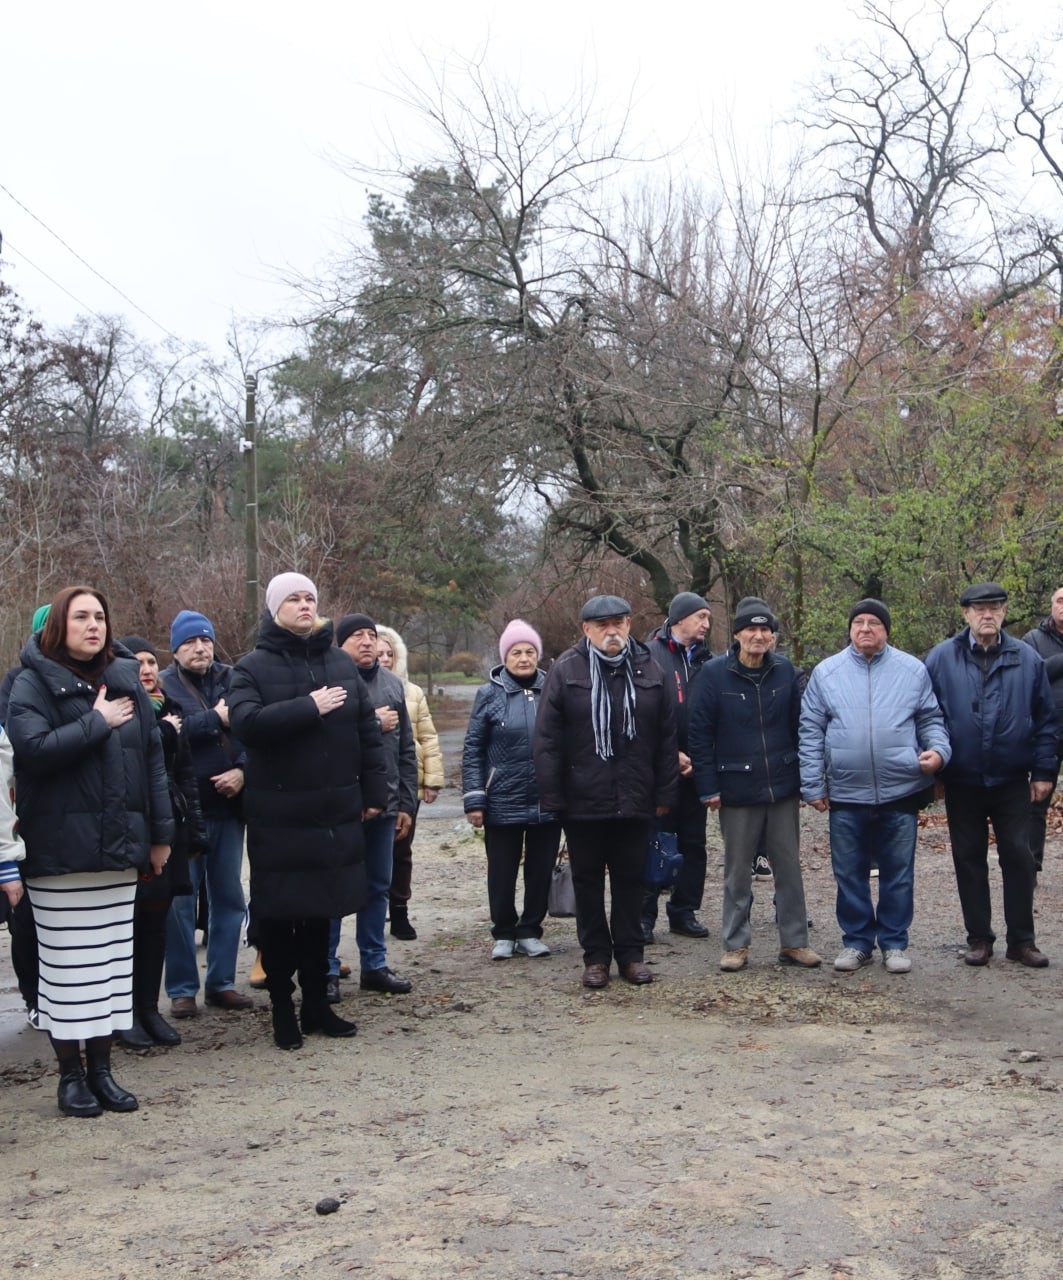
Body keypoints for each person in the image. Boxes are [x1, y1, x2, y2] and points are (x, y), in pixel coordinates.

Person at [6, 586, 173, 1116]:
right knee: (67, 972)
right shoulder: (30, 682)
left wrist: (160, 835)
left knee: (110, 967)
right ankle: (70, 1077)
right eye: (81, 616)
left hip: (119, 853)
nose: (93, 625)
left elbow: (152, 762)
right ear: (59, 625)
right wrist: (96, 722)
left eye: (100, 616)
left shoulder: (125, 679)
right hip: (59, 856)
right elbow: (32, 752)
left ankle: (102, 1071)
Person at [228, 574, 388, 1049]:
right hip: (278, 815)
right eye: (294, 599)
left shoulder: (339, 663)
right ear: (274, 608)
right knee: (280, 916)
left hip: (334, 811)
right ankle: (282, 1008)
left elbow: (366, 734)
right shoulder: (251, 667)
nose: (304, 605)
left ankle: (317, 1006)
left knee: (323, 912)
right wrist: (308, 707)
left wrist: (374, 793)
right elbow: (246, 724)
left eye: (310, 598)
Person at [534, 594, 678, 989]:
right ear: (587, 629)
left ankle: (631, 955)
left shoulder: (650, 668)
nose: (611, 632)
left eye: (618, 623)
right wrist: (553, 796)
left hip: (636, 796)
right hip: (583, 799)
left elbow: (667, 737)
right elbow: (547, 740)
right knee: (588, 880)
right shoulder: (566, 669)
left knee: (632, 879)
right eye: (602, 625)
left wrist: (665, 794)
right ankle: (596, 957)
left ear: (629, 625)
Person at [799, 598, 949, 975]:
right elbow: (811, 730)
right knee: (849, 873)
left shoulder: (912, 670)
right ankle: (857, 941)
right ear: (850, 629)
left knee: (898, 873)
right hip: (846, 792)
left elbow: (930, 719)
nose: (865, 628)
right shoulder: (826, 673)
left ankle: (894, 942)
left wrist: (938, 751)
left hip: (900, 789)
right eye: (859, 622)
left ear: (886, 630)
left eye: (874, 623)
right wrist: (813, 783)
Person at [925, 583, 1057, 968]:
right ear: (965, 613)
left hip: (1012, 778)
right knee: (968, 858)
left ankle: (1022, 941)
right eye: (979, 608)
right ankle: (979, 938)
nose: (987, 615)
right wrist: (934, 772)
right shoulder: (942, 658)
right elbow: (925, 715)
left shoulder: (1027, 658)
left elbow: (1046, 721)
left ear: (1004, 613)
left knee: (1019, 856)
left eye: (995, 608)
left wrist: (1043, 771)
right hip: (961, 778)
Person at [689, 598, 821, 971]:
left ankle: (794, 943)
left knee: (789, 868)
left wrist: (805, 779)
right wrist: (708, 787)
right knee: (737, 872)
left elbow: (801, 727)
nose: (759, 636)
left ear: (773, 637)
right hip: (736, 788)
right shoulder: (714, 674)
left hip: (782, 785)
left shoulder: (785, 671)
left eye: (765, 630)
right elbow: (699, 735)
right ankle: (735, 945)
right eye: (751, 629)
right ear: (737, 634)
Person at [115, 637, 207, 1050]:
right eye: (138, 663)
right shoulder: (118, 710)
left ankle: (149, 1009)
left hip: (169, 827)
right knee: (129, 926)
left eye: (152, 661)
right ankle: (124, 1015)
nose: (147, 669)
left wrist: (196, 832)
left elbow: (185, 774)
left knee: (157, 923)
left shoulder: (171, 708)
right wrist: (164, 732)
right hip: (131, 829)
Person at [160, 609, 251, 1018]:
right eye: (190, 642)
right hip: (184, 812)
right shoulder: (163, 686)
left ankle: (222, 982)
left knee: (229, 897)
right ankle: (182, 989)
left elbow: (253, 730)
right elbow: (170, 735)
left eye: (206, 640)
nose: (200, 648)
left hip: (229, 808)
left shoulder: (234, 679)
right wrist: (215, 717)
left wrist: (243, 771)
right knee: (180, 903)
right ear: (175, 649)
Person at [463, 620, 562, 960]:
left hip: (546, 798)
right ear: (505, 657)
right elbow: (473, 748)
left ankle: (531, 930)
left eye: (530, 652)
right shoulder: (489, 694)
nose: (524, 658)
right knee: (501, 871)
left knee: (541, 870)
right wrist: (475, 798)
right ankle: (503, 931)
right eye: (516, 652)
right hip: (502, 798)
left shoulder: (553, 689)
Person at [335, 614, 417, 995]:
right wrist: (370, 721)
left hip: (385, 805)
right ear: (340, 645)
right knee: (335, 888)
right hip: (342, 806)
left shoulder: (391, 685)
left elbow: (405, 750)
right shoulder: (329, 681)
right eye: (357, 636)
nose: (367, 641)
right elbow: (323, 738)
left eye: (371, 635)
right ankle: (327, 968)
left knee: (378, 886)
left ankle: (374, 964)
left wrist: (405, 804)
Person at [641, 592, 712, 943]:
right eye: (701, 617)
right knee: (654, 841)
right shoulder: (648, 656)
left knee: (694, 843)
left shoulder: (707, 661)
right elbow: (640, 714)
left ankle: (684, 911)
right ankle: (643, 916)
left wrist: (701, 757)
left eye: (708, 617)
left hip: (697, 770)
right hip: (658, 771)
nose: (706, 624)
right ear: (680, 618)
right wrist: (670, 754)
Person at [377, 625, 444, 941]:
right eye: (379, 653)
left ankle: (400, 910)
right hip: (373, 782)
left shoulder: (412, 693)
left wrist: (432, 780)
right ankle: (373, 912)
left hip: (407, 783)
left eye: (390, 653)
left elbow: (427, 737)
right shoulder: (356, 689)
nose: (384, 659)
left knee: (401, 851)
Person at [1020, 585, 1063, 876]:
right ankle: (1030, 865)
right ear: (1051, 606)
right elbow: (1032, 674)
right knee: (1037, 800)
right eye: (1060, 600)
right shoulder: (1032, 640)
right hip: (1047, 731)